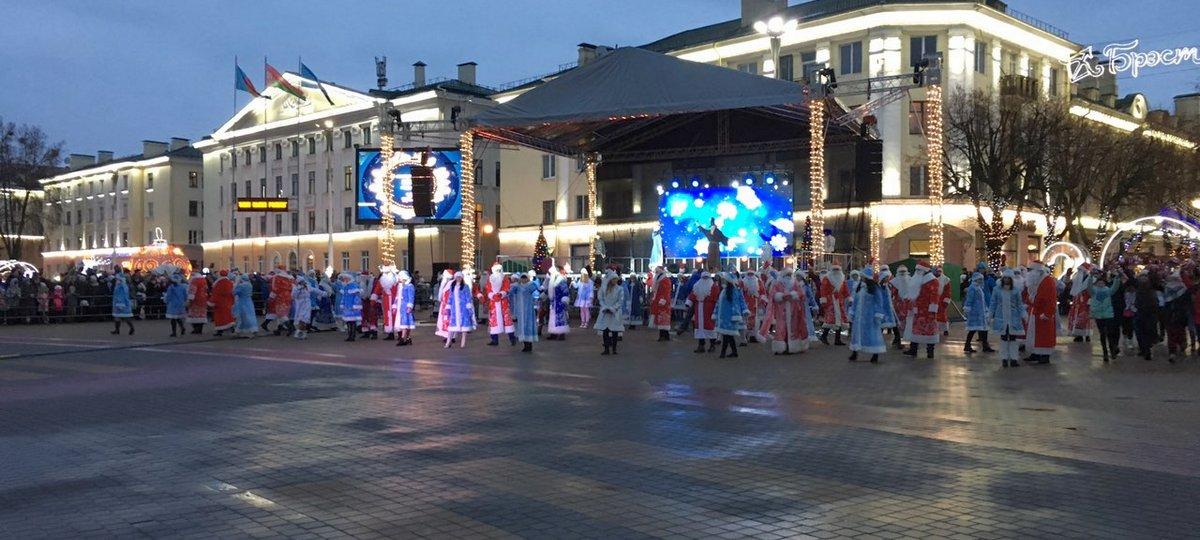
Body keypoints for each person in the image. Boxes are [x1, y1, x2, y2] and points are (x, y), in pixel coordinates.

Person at [763, 267, 809, 355]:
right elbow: (772, 295)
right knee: (781, 328)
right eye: (787, 274)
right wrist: (780, 296)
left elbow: (801, 294)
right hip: (781, 310)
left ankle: (792, 347)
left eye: (790, 274)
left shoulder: (795, 283)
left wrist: (793, 295)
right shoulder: (777, 284)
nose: (788, 276)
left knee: (793, 329)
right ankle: (780, 347)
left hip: (793, 310)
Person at [902, 261, 942, 359]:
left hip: (928, 311)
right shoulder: (917, 279)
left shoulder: (933, 281)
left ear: (924, 270)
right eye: (916, 270)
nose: (917, 272)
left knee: (929, 330)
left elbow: (934, 296)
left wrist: (933, 309)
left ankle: (930, 352)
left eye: (918, 270)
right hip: (917, 310)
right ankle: (913, 349)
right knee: (915, 330)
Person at [847, 266, 887, 363]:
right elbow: (855, 301)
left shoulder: (874, 288)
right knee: (857, 334)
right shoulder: (859, 287)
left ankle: (875, 353)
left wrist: (878, 314)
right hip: (859, 316)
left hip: (870, 316)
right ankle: (855, 352)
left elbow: (879, 302)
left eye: (863, 276)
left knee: (872, 334)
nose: (861, 278)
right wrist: (852, 312)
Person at [1024, 261, 1058, 364]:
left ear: (1037, 271)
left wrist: (1047, 314)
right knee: (1033, 334)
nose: (1029, 273)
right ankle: (1035, 353)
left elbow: (1051, 300)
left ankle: (1044, 355)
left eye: (1030, 270)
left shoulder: (1048, 281)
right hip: (1035, 312)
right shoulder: (1036, 281)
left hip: (1043, 314)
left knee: (1044, 336)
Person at [989, 270, 1026, 368]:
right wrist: (990, 314)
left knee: (1013, 338)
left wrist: (1023, 314)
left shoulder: (1016, 290)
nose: (1006, 280)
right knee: (1004, 338)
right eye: (1005, 278)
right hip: (1001, 318)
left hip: (1013, 318)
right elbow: (993, 303)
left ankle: (1014, 359)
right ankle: (1004, 359)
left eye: (1008, 278)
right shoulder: (996, 290)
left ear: (1011, 279)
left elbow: (1019, 304)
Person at [714, 272, 749, 359]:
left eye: (724, 280)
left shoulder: (733, 291)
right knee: (728, 335)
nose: (723, 281)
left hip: (729, 317)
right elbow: (719, 303)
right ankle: (734, 352)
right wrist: (716, 313)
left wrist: (735, 315)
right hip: (724, 317)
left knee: (727, 335)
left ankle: (723, 353)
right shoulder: (724, 291)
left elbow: (736, 304)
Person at [1089, 270, 1122, 362]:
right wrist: (1090, 277)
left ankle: (1111, 350)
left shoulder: (1108, 291)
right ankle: (1106, 352)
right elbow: (1089, 286)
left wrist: (1117, 278)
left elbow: (1115, 287)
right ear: (1096, 283)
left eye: (1102, 283)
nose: (1101, 284)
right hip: (1099, 315)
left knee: (1109, 333)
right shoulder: (1094, 291)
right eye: (1099, 283)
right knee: (1103, 334)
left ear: (1104, 283)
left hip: (1107, 315)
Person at [482, 263, 516, 346]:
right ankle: (494, 340)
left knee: (507, 320)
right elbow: (488, 288)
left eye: (499, 270)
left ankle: (512, 339)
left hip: (503, 302)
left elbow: (507, 288)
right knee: (493, 320)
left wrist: (501, 294)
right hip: (493, 302)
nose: (498, 271)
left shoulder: (505, 278)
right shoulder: (490, 278)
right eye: (496, 270)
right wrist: (491, 295)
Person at [685, 272, 718, 353]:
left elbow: (716, 297)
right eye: (704, 278)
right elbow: (693, 294)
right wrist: (688, 303)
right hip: (699, 308)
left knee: (710, 326)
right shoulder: (697, 286)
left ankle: (712, 345)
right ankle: (701, 345)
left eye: (706, 278)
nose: (705, 279)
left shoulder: (714, 287)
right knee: (699, 328)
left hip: (709, 309)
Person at [595, 270, 626, 355]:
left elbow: (620, 301)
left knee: (615, 331)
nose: (615, 281)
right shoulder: (603, 288)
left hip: (615, 312)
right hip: (605, 312)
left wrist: (613, 308)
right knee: (605, 330)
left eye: (616, 279)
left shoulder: (619, 289)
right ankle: (606, 349)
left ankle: (614, 349)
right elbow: (600, 298)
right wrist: (605, 307)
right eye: (614, 279)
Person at [1162, 271, 1191, 363]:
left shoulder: (1167, 288)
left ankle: (1172, 352)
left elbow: (1165, 302)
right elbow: (1187, 301)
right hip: (1181, 314)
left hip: (1170, 314)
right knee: (1180, 331)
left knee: (1171, 334)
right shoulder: (1183, 288)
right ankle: (1182, 345)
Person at [443, 271, 476, 348]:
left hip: (463, 309)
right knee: (451, 327)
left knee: (464, 327)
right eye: (457, 277)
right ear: (455, 278)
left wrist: (469, 307)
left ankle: (463, 343)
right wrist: (448, 307)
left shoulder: (465, 287)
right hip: (454, 310)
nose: (458, 278)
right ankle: (448, 343)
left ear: (462, 278)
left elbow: (468, 297)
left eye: (460, 277)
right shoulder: (452, 287)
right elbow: (450, 297)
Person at [818, 265, 850, 345]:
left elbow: (845, 289)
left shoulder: (842, 279)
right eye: (835, 269)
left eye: (837, 269)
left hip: (840, 301)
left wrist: (849, 298)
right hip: (830, 301)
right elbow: (823, 289)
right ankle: (824, 336)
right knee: (830, 320)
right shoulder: (827, 278)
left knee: (839, 320)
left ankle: (837, 339)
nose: (836, 271)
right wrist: (824, 300)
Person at [962, 272, 993, 354]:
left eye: (981, 279)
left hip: (981, 312)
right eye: (979, 279)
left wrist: (986, 309)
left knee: (984, 329)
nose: (981, 281)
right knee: (973, 329)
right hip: (975, 313)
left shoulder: (979, 288)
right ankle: (967, 345)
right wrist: (967, 309)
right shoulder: (973, 288)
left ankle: (985, 346)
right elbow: (969, 299)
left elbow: (982, 301)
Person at [510, 271, 540, 352]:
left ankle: (529, 345)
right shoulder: (517, 286)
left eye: (525, 278)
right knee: (522, 326)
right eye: (522, 278)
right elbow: (511, 292)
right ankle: (525, 345)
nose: (523, 280)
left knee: (528, 326)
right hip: (520, 310)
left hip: (528, 310)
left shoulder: (530, 285)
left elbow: (536, 288)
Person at [1067, 263, 1094, 342]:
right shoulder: (1076, 278)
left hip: (1086, 302)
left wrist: (1091, 299)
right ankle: (1078, 334)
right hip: (1077, 302)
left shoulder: (1091, 279)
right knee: (1077, 318)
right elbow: (1071, 286)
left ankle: (1087, 334)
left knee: (1086, 318)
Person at [374, 265, 401, 340]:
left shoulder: (397, 280)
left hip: (395, 301)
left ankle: (400, 334)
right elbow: (377, 289)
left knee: (396, 317)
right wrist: (374, 297)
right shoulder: (382, 281)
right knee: (388, 317)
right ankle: (390, 334)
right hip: (386, 302)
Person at [545, 265, 571, 340]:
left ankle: (561, 333)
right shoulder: (552, 280)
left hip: (560, 302)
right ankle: (554, 333)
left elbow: (565, 291)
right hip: (553, 303)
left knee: (561, 317)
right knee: (553, 318)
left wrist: (564, 300)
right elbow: (549, 291)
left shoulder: (561, 280)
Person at [649, 267, 674, 341]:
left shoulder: (665, 280)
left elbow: (666, 291)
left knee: (663, 319)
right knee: (661, 319)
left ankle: (663, 335)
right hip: (659, 301)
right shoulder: (659, 279)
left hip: (663, 302)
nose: (656, 273)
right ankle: (665, 335)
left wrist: (662, 300)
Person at [338, 272, 363, 341]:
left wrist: (355, 305)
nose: (344, 280)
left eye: (346, 278)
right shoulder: (345, 287)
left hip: (352, 307)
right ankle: (350, 335)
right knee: (348, 322)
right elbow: (343, 297)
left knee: (352, 322)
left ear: (349, 278)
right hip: (347, 307)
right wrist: (342, 304)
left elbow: (357, 297)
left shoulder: (353, 286)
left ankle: (352, 336)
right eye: (344, 279)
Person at [232, 272, 258, 338]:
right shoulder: (250, 285)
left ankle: (241, 331)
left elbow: (234, 292)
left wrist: (236, 284)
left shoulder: (241, 286)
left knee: (243, 317)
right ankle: (253, 330)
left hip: (242, 302)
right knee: (250, 316)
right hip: (249, 302)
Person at [393, 271, 416, 346]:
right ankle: (408, 338)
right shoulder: (400, 286)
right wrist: (395, 306)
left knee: (405, 322)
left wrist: (409, 306)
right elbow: (397, 297)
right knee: (404, 323)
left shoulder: (409, 286)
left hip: (405, 307)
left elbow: (411, 297)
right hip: (400, 307)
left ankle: (403, 338)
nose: (398, 278)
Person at [210, 270, 235, 336]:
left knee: (219, 317)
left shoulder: (218, 283)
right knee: (228, 316)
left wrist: (212, 301)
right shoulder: (229, 282)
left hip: (219, 303)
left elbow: (215, 293)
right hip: (228, 302)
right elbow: (232, 293)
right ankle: (232, 329)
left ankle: (219, 331)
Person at [740, 270, 762, 344]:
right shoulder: (743, 282)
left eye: (751, 274)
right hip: (745, 303)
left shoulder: (758, 281)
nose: (750, 276)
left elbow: (762, 291)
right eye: (749, 274)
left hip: (755, 303)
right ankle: (745, 336)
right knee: (745, 319)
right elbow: (739, 292)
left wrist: (761, 300)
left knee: (755, 320)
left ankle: (753, 336)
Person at [110, 270, 135, 335]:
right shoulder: (120, 286)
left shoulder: (122, 287)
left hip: (122, 304)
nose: (116, 280)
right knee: (117, 317)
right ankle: (117, 330)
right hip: (118, 303)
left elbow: (122, 296)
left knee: (126, 317)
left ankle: (131, 328)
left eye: (117, 279)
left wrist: (120, 303)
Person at [164, 272, 188, 337]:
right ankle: (182, 328)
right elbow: (185, 296)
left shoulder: (171, 288)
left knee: (173, 319)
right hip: (180, 304)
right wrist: (185, 301)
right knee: (178, 318)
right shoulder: (182, 287)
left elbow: (168, 296)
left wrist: (166, 301)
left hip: (173, 305)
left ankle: (174, 332)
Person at [357, 271, 378, 339]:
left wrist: (372, 297)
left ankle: (374, 333)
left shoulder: (373, 282)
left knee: (372, 316)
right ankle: (366, 332)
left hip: (371, 301)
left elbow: (376, 290)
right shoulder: (361, 282)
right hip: (364, 301)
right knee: (364, 317)